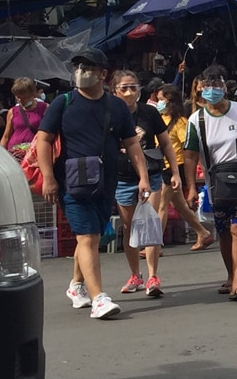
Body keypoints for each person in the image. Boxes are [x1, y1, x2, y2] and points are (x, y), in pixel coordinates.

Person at [38, 48, 151, 319]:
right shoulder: (62, 103)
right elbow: (44, 139)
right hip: (72, 182)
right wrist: (49, 178)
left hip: (106, 181)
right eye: (78, 67)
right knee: (87, 237)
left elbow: (131, 143)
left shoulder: (116, 106)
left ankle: (76, 285)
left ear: (103, 74)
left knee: (91, 235)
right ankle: (99, 297)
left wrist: (143, 177)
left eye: (89, 67)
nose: (82, 72)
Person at [184, 65, 237, 301]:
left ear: (224, 86)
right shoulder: (196, 120)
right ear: (199, 89)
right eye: (207, 86)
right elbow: (189, 155)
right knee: (225, 232)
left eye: (217, 85)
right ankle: (231, 276)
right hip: (216, 185)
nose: (212, 90)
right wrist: (191, 187)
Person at [110, 70, 181, 298]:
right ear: (114, 91)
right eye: (124, 88)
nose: (130, 93)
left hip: (151, 175)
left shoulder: (149, 112)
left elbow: (166, 144)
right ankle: (135, 275)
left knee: (149, 224)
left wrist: (175, 172)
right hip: (122, 178)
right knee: (130, 227)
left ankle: (152, 276)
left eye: (134, 87)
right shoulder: (110, 114)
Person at [156, 84, 214, 251]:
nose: (158, 103)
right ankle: (203, 233)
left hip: (175, 167)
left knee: (162, 204)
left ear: (170, 102)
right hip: (163, 165)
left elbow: (188, 147)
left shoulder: (181, 122)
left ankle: (155, 245)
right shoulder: (162, 119)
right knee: (178, 205)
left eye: (161, 100)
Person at [0, 76, 49, 159]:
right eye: (18, 97)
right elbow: (6, 136)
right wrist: (0, 155)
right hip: (14, 154)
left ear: (32, 94)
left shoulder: (45, 108)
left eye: (24, 98)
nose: (21, 101)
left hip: (34, 154)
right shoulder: (12, 111)